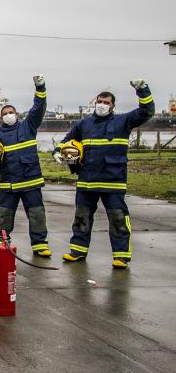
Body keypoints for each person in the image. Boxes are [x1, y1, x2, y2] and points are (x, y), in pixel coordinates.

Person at [55, 79, 155, 269]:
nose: (102, 105)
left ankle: (121, 256)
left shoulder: (123, 121)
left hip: (113, 181)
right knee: (81, 217)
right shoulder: (84, 124)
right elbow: (65, 141)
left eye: (106, 102)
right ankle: (77, 251)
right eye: (99, 101)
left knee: (118, 218)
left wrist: (143, 90)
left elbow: (146, 111)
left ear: (113, 106)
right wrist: (57, 152)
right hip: (87, 181)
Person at [0, 75, 51, 256]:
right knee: (4, 215)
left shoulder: (28, 126)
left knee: (37, 213)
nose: (8, 115)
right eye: (4, 113)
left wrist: (40, 88)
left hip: (31, 182)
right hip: (9, 183)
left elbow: (38, 108)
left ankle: (40, 244)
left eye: (10, 112)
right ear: (0, 117)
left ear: (16, 114)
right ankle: (0, 241)